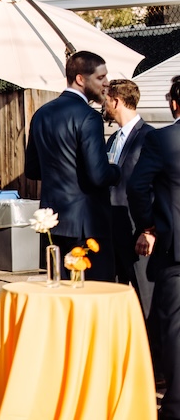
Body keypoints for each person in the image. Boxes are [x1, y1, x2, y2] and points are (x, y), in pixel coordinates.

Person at [26, 51, 120, 281]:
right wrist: (117, 169)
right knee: (93, 295)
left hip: (53, 222)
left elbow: (32, 170)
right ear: (80, 79)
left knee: (62, 293)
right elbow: (98, 176)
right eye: (100, 78)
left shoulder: (41, 114)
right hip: (87, 226)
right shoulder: (88, 117)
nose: (106, 83)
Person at [128, 76, 180, 418]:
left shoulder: (163, 139)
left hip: (175, 250)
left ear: (174, 103)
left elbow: (137, 186)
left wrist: (149, 226)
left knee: (175, 326)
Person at [104, 79, 153, 309]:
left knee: (145, 301)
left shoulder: (149, 138)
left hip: (136, 233)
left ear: (116, 101)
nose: (104, 106)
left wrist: (148, 230)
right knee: (114, 300)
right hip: (111, 231)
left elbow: (155, 188)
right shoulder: (113, 139)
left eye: (106, 100)